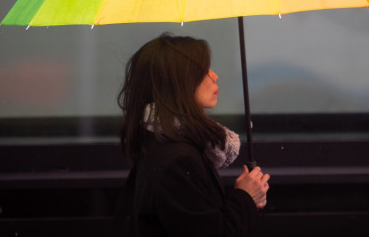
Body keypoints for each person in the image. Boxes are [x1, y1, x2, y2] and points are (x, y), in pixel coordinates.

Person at [113, 33, 270, 237]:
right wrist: (245, 197)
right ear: (179, 81)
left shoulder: (165, 143)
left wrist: (250, 201)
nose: (214, 75)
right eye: (203, 71)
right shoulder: (177, 160)